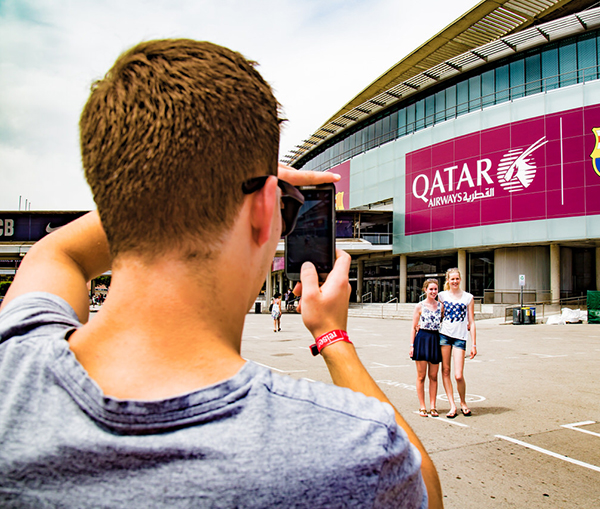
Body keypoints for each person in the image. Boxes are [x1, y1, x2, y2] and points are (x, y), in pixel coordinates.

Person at [0, 39, 442, 508]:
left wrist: (184, 179)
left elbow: (57, 251)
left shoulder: (15, 361)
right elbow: (427, 491)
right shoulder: (355, 452)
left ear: (113, 202)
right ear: (264, 209)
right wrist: (332, 336)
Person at [438, 268, 477, 418]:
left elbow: (471, 322)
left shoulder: (468, 297)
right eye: (452, 279)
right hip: (444, 336)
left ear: (460, 279)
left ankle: (463, 402)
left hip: (460, 338)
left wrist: (474, 344)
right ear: (448, 280)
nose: (454, 281)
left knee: (458, 375)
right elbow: (437, 314)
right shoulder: (441, 296)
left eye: (457, 279)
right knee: (446, 371)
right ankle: (452, 405)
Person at [410, 279, 442, 418]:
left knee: (433, 376)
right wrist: (411, 345)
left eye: (435, 289)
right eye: (431, 289)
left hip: (435, 339)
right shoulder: (419, 306)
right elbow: (413, 327)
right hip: (422, 339)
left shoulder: (441, 306)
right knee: (421, 376)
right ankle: (422, 406)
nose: (433, 292)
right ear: (425, 290)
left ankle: (433, 406)